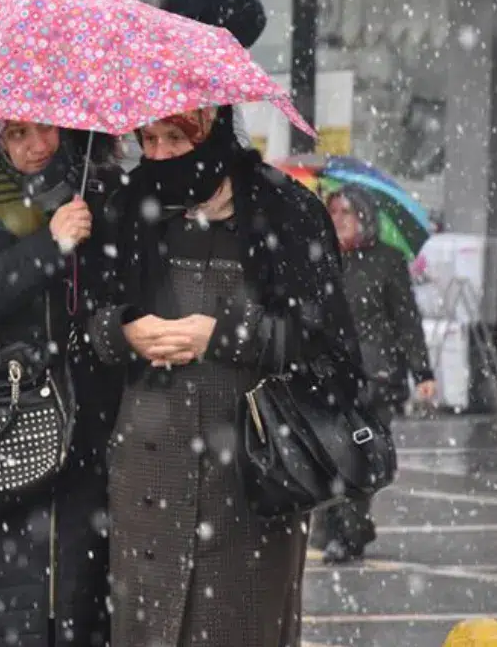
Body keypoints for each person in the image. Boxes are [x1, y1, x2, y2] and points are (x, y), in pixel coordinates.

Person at [86, 104, 364, 647]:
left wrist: (222, 335)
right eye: (149, 139)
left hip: (251, 480)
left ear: (211, 130)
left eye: (175, 138)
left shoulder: (285, 211)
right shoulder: (125, 207)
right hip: (146, 479)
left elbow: (328, 348)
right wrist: (125, 332)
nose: (159, 154)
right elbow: (89, 328)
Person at [0, 116, 125, 647]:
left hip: (87, 418)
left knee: (77, 600)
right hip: (0, 419)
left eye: (46, 130)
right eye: (17, 134)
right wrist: (49, 245)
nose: (37, 146)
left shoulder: (97, 186)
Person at [312, 185, 436, 564]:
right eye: (332, 212)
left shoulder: (387, 261)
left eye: (345, 212)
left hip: (374, 377)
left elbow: (406, 321)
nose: (338, 220)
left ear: (364, 217)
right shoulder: (320, 260)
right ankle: (338, 529)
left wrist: (422, 371)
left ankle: (348, 533)